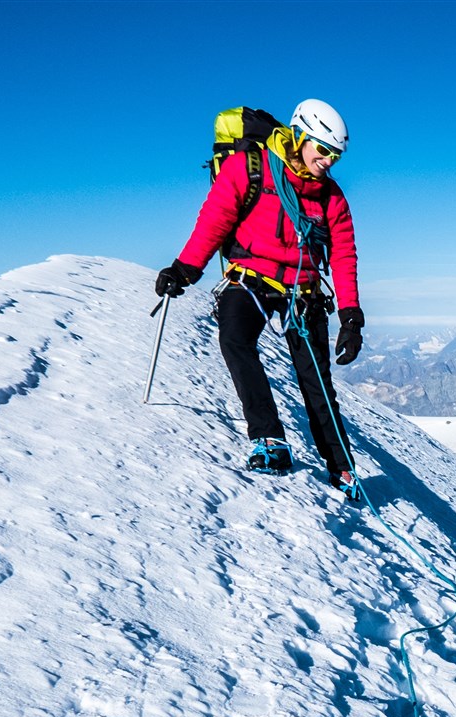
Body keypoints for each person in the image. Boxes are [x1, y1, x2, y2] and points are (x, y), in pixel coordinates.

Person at [154, 99, 366, 495]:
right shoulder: (250, 168)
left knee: (316, 379)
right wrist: (184, 270)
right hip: (251, 277)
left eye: (335, 154)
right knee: (235, 338)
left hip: (303, 288)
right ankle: (270, 439)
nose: (329, 161)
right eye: (323, 149)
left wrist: (351, 316)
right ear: (300, 137)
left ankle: (342, 467)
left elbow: (343, 253)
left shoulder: (331, 198)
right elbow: (215, 220)